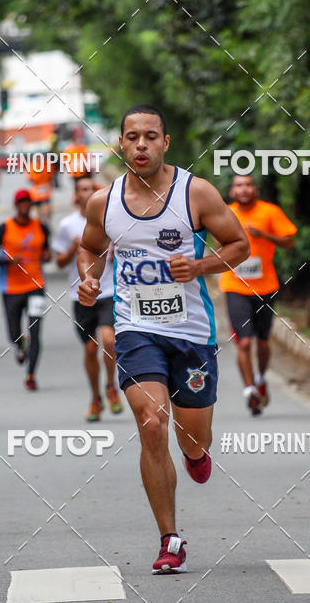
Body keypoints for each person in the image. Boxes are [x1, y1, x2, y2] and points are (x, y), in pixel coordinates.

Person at [77, 105, 249, 574]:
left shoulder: (195, 192)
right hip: (135, 328)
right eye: (131, 136)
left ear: (165, 142)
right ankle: (170, 538)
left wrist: (199, 266)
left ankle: (196, 452)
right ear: (121, 143)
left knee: (192, 437)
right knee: (151, 422)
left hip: (191, 333)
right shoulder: (104, 202)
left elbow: (239, 245)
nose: (141, 145)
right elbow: (90, 248)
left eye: (150, 136)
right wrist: (90, 280)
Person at [219, 174, 297, 415]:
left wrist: (264, 236)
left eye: (248, 184)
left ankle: (260, 378)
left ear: (255, 189)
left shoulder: (269, 212)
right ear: (232, 191)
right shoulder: (224, 213)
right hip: (235, 287)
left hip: (265, 288)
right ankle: (250, 390)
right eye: (239, 185)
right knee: (244, 342)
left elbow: (289, 241)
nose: (244, 189)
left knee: (263, 342)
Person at [53, 175, 123, 421]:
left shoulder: (111, 221)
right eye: (83, 189)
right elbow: (59, 262)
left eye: (91, 188)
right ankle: (95, 397)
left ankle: (112, 386)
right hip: (80, 292)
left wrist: (114, 254)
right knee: (91, 348)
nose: (87, 193)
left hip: (109, 291)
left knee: (110, 340)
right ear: (76, 196)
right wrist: (75, 248)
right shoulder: (67, 225)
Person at [0, 188, 51, 391]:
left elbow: (47, 252)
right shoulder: (3, 229)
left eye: (27, 202)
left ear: (30, 205)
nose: (24, 205)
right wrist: (7, 261)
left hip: (35, 286)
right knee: (13, 334)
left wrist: (47, 256)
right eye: (21, 202)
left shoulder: (41, 227)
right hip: (11, 288)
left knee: (36, 332)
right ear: (16, 206)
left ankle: (30, 375)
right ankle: (20, 344)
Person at [28, 153, 54, 225]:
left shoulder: (48, 166)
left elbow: (50, 176)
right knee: (36, 214)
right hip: (35, 194)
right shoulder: (32, 166)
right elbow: (31, 178)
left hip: (45, 194)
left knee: (46, 213)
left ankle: (45, 225)